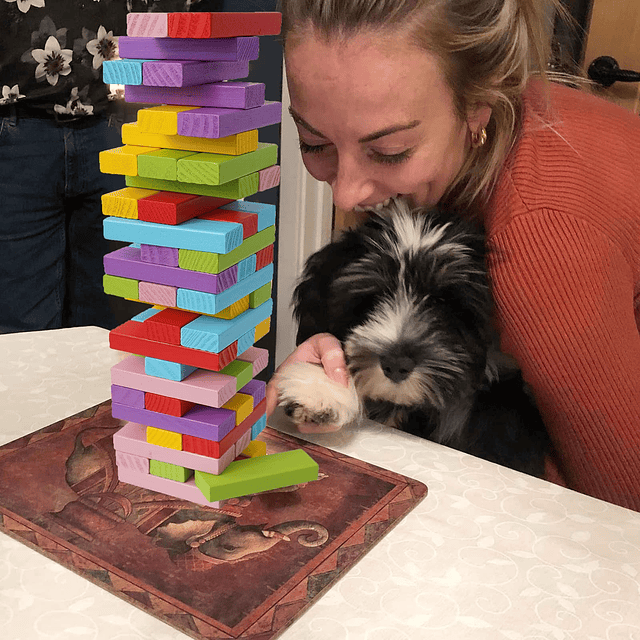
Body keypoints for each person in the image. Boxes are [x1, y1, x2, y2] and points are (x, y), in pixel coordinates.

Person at [265, 0, 640, 512]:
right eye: (314, 142)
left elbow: (617, 505)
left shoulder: (540, 233)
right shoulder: (457, 118)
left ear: (476, 111)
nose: (345, 196)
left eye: (389, 150)